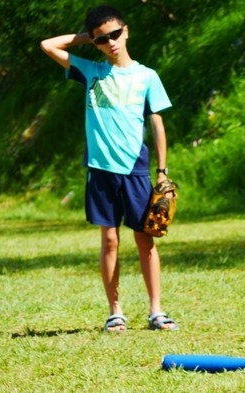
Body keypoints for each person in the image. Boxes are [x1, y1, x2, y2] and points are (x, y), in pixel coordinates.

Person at [40, 5, 178, 332]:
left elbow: (157, 125)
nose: (111, 42)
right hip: (100, 170)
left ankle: (156, 310)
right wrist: (88, 38)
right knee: (111, 241)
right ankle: (115, 311)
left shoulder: (147, 76)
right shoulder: (90, 71)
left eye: (115, 34)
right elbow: (48, 45)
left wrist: (162, 170)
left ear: (126, 31)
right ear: (94, 43)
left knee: (145, 240)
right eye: (103, 39)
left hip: (136, 170)